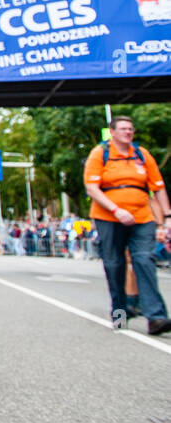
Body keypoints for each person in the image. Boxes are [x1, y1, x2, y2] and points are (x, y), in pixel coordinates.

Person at [82, 116, 171, 335]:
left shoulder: (142, 155)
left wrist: (167, 216)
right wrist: (116, 210)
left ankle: (156, 317)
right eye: (123, 128)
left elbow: (158, 187)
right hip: (109, 217)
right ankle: (120, 314)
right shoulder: (100, 154)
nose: (128, 132)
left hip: (141, 217)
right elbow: (92, 188)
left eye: (130, 129)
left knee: (145, 260)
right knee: (115, 265)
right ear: (112, 132)